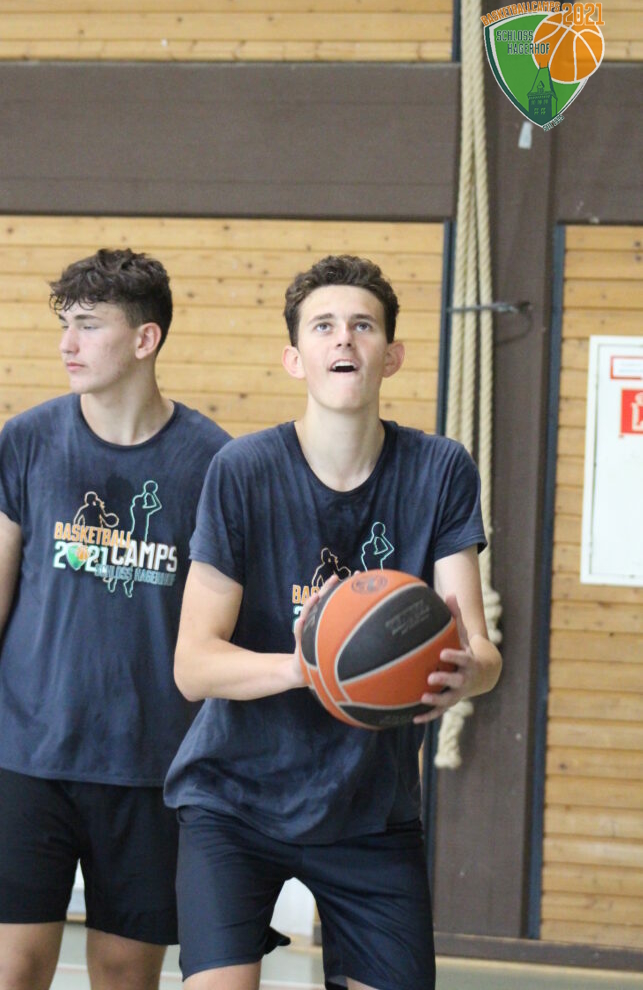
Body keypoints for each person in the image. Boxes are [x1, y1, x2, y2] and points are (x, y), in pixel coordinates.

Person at [164, 254, 503, 990]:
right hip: (235, 802)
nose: (343, 338)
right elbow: (193, 665)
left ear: (392, 355)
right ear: (295, 358)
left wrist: (465, 676)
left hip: (370, 811)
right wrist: (308, 666)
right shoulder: (243, 470)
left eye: (362, 325)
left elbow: (480, 650)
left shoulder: (440, 468)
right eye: (322, 326)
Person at [0, 248, 232, 990]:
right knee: (11, 972)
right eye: (65, 325)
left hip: (153, 766)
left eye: (87, 325)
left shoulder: (214, 461)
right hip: (26, 759)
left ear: (145, 339)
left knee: (124, 976)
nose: (66, 344)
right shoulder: (28, 440)